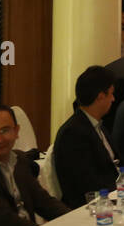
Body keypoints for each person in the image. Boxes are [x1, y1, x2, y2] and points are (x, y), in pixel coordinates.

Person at [51, 65, 120, 208]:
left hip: (113, 197)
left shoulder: (97, 125)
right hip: (91, 208)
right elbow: (86, 182)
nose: (113, 99)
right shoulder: (73, 133)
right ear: (101, 96)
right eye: (111, 94)